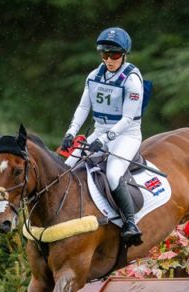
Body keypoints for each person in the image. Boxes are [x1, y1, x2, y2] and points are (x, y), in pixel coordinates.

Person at [61, 26, 144, 245]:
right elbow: (82, 108)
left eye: (114, 55)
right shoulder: (94, 76)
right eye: (104, 54)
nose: (109, 60)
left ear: (124, 55)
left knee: (114, 174)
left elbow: (127, 119)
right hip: (99, 131)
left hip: (126, 135)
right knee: (67, 166)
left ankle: (130, 223)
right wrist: (70, 133)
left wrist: (105, 140)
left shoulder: (132, 80)